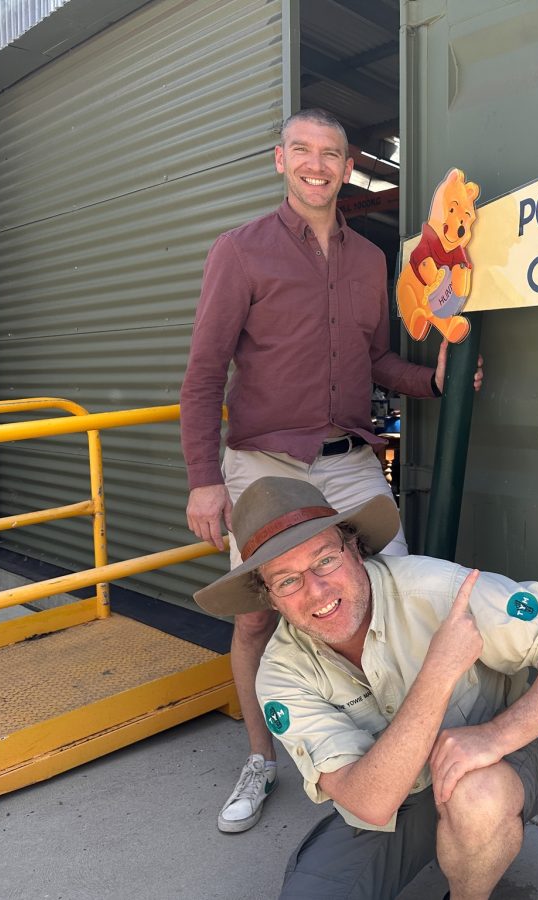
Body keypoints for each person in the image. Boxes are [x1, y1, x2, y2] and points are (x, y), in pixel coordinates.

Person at [179, 107, 484, 834]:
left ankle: (390, 749)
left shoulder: (371, 259)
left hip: (346, 461)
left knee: (395, 593)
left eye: (333, 154)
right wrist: (203, 475)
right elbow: (203, 372)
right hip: (261, 464)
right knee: (257, 614)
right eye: (304, 151)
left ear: (350, 167)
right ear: (279, 160)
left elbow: (375, 362)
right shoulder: (241, 250)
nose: (319, 164)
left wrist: (432, 381)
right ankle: (260, 757)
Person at [192, 476, 538, 900]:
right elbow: (370, 803)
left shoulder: (440, 589)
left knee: (478, 797)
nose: (317, 590)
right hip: (392, 791)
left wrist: (495, 736)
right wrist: (438, 672)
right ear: (269, 598)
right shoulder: (280, 674)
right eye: (287, 581)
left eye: (324, 560)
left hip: (497, 764)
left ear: (354, 547)